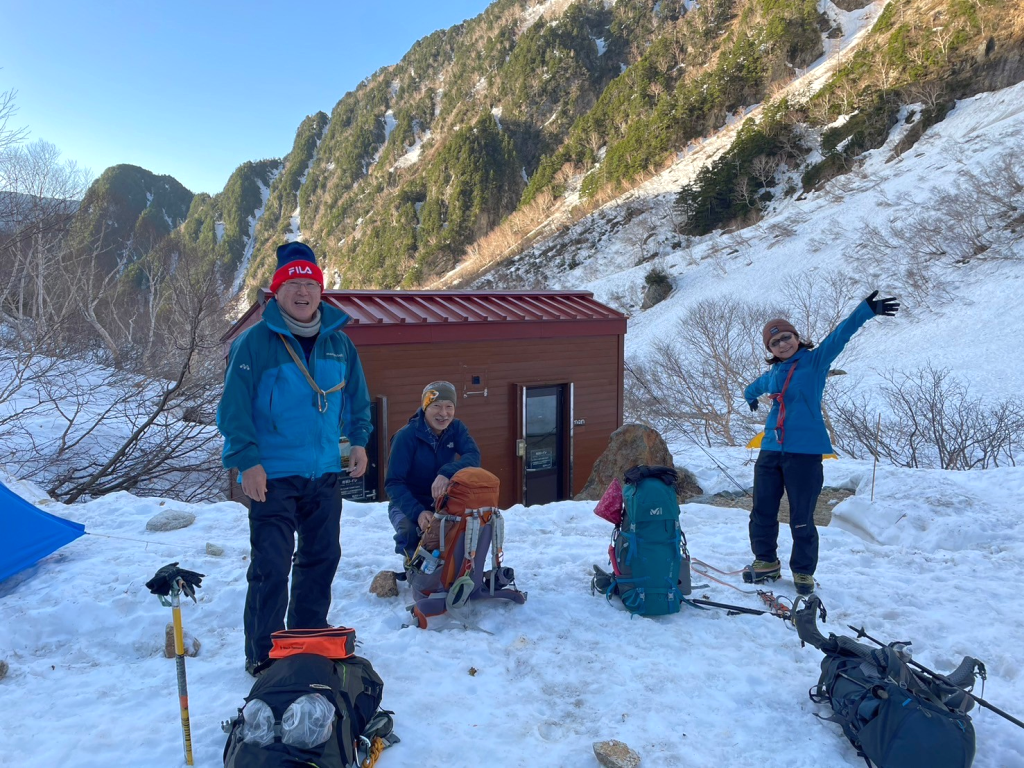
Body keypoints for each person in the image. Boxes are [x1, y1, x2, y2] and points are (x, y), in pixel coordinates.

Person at [217, 241, 372, 676]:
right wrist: (247, 461)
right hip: (273, 475)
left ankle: (306, 639)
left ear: (321, 292)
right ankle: (263, 655)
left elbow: (357, 402)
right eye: (293, 284)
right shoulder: (254, 345)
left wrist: (358, 442)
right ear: (277, 290)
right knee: (271, 563)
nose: (302, 292)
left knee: (322, 557)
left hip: (323, 473)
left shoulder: (340, 344)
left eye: (311, 284)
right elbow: (233, 409)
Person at [742, 290, 899, 596]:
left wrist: (865, 311)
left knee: (801, 515)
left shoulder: (815, 362)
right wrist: (751, 398)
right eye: (775, 342)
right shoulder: (773, 373)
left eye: (787, 337)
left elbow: (840, 335)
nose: (783, 343)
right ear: (770, 349)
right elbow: (754, 387)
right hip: (771, 449)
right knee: (762, 510)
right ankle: (765, 562)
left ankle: (802, 571)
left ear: (797, 338)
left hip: (805, 451)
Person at [385, 381, 481, 558]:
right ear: (425, 407)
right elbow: (393, 483)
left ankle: (455, 572)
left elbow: (473, 456)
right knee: (410, 531)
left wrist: (447, 472)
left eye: (449, 407)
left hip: (442, 500)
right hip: (407, 502)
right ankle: (413, 570)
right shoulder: (406, 436)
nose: (443, 414)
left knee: (465, 528)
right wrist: (418, 512)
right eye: (436, 406)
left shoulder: (456, 428)